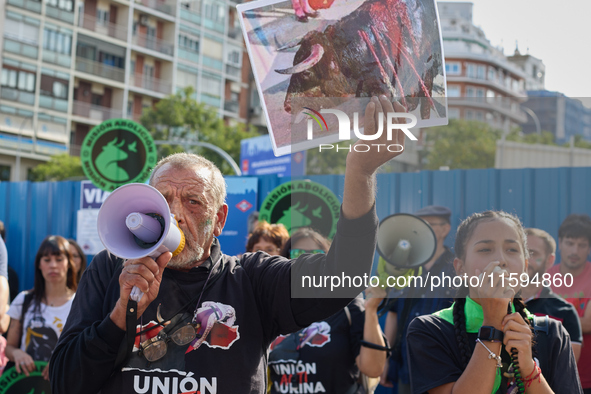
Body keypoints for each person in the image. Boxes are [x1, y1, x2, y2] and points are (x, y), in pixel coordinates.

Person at [50, 96, 408, 393]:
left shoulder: (251, 279)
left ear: (219, 219)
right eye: (162, 201)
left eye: (192, 202)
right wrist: (119, 316)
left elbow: (342, 277)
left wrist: (360, 172)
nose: (174, 214)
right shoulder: (114, 268)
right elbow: (65, 381)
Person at [407, 211, 582, 394]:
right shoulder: (429, 329)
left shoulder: (552, 332)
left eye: (512, 250)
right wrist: (491, 326)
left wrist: (529, 369)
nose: (501, 260)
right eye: (485, 249)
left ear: (524, 267)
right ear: (460, 268)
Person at [269, 228, 387, 393]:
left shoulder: (348, 305)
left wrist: (371, 310)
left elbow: (373, 369)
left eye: (316, 253)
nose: (306, 259)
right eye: (298, 253)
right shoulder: (272, 305)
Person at [381, 205, 455, 394]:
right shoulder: (402, 265)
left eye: (429, 224)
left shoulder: (458, 267)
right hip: (408, 367)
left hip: (447, 367)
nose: (422, 229)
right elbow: (392, 313)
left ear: (445, 229)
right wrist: (385, 358)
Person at [5, 235, 77, 380]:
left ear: (69, 263)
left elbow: (84, 350)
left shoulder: (80, 303)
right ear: (39, 264)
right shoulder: (23, 300)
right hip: (27, 382)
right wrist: (17, 353)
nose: (53, 265)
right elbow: (9, 347)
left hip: (64, 383)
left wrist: (60, 362)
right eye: (47, 260)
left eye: (59, 259)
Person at [521, 228, 582, 361]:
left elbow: (565, 373)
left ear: (550, 260)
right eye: (519, 251)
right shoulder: (493, 304)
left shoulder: (565, 312)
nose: (525, 259)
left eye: (532, 253)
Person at [547, 214, 591, 393]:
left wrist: (548, 322)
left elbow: (589, 323)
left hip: (587, 379)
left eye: (582, 245)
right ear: (560, 243)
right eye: (570, 243)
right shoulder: (546, 277)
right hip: (550, 376)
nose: (575, 251)